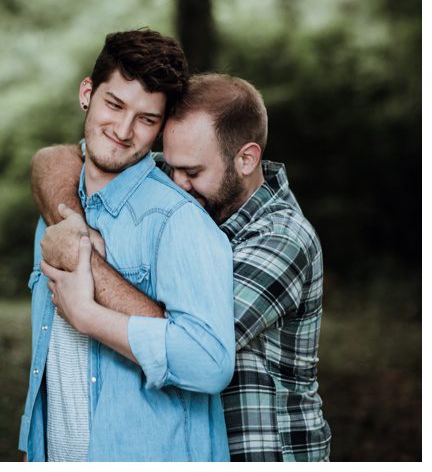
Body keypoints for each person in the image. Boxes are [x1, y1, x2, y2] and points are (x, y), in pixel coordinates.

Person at [31, 73, 331, 461]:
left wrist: (81, 256)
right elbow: (55, 159)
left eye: (191, 173)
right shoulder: (181, 179)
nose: (176, 184)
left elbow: (191, 340)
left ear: (246, 158)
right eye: (170, 168)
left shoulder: (282, 239)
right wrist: (74, 222)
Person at [18, 29, 234, 462]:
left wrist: (88, 315)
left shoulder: (177, 221)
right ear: (87, 93)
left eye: (146, 119)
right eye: (114, 105)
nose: (122, 129)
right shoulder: (60, 208)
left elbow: (210, 363)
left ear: (161, 128)